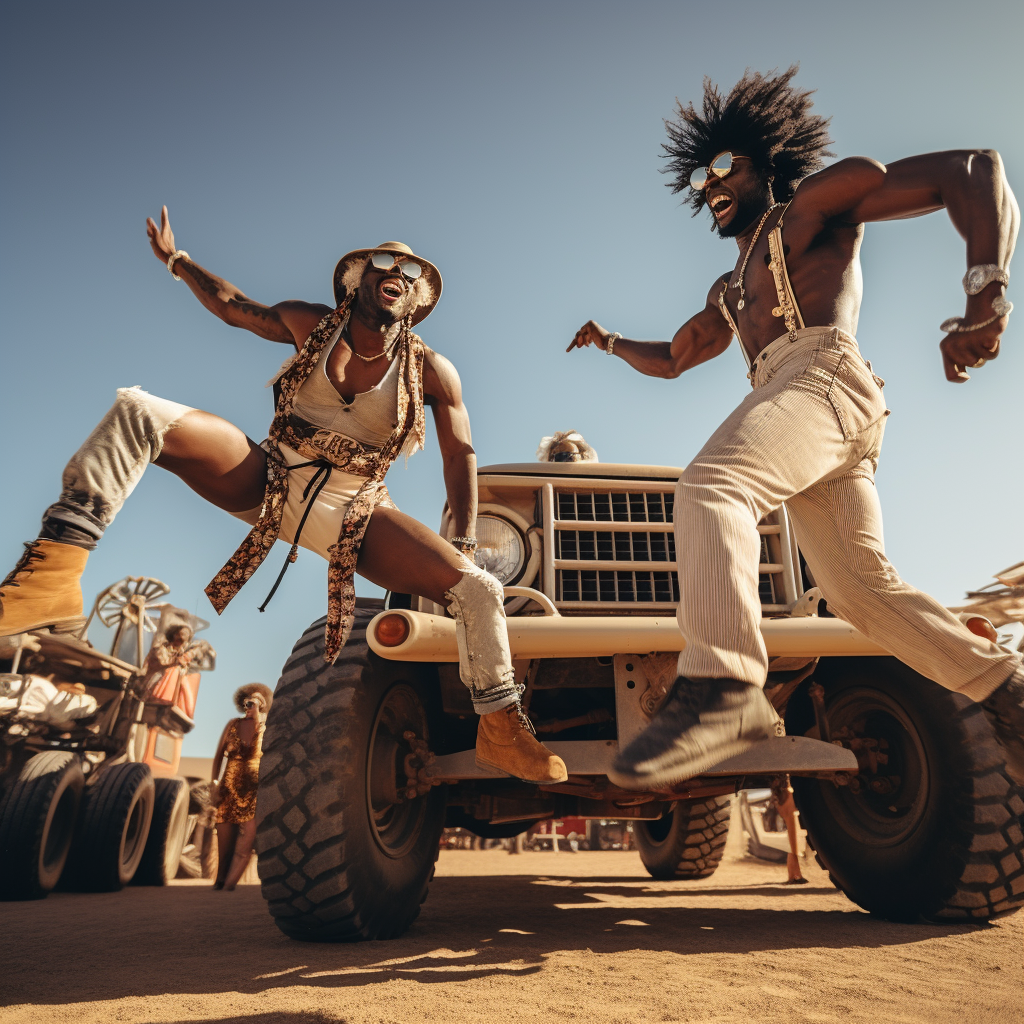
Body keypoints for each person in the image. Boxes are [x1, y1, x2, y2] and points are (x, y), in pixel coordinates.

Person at [568, 67, 1024, 789]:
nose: (709, 182)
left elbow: (973, 170)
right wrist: (611, 342)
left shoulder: (812, 208)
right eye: (698, 177)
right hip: (807, 409)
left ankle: (724, 686)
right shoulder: (730, 287)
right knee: (860, 592)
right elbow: (676, 359)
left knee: (712, 487)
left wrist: (986, 293)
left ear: (764, 164)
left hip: (822, 377)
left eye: (725, 165)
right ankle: (1006, 691)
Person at [0, 211, 566, 786]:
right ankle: (51, 575)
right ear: (358, 279)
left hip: (358, 509)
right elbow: (230, 304)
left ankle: (500, 729)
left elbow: (458, 456)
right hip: (268, 476)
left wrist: (465, 541)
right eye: (384, 261)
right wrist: (177, 261)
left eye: (411, 268)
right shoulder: (310, 323)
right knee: (138, 411)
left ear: (416, 297)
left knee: (477, 588)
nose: (399, 270)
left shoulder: (433, 371)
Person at [210, 683, 272, 890]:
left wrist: (257, 720)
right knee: (224, 845)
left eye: (253, 703)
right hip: (228, 791)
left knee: (245, 847)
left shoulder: (267, 729)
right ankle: (220, 881)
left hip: (254, 793)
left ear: (262, 705)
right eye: (246, 702)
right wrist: (214, 784)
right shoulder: (232, 725)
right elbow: (219, 756)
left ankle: (228, 887)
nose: (248, 706)